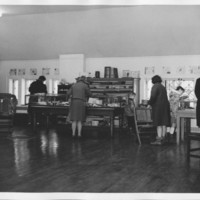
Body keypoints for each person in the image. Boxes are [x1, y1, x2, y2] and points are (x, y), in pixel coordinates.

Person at [67, 72, 92, 138]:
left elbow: (68, 93)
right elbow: (90, 94)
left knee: (74, 120)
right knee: (80, 120)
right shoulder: (85, 85)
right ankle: (79, 134)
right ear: (84, 80)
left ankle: (73, 134)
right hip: (81, 103)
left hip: (74, 103)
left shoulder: (73, 85)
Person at [148, 75, 170, 145]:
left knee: (158, 123)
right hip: (165, 107)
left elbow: (153, 97)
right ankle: (163, 138)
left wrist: (149, 103)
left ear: (153, 80)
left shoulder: (155, 86)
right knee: (163, 123)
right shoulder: (163, 86)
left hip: (158, 107)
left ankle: (158, 140)